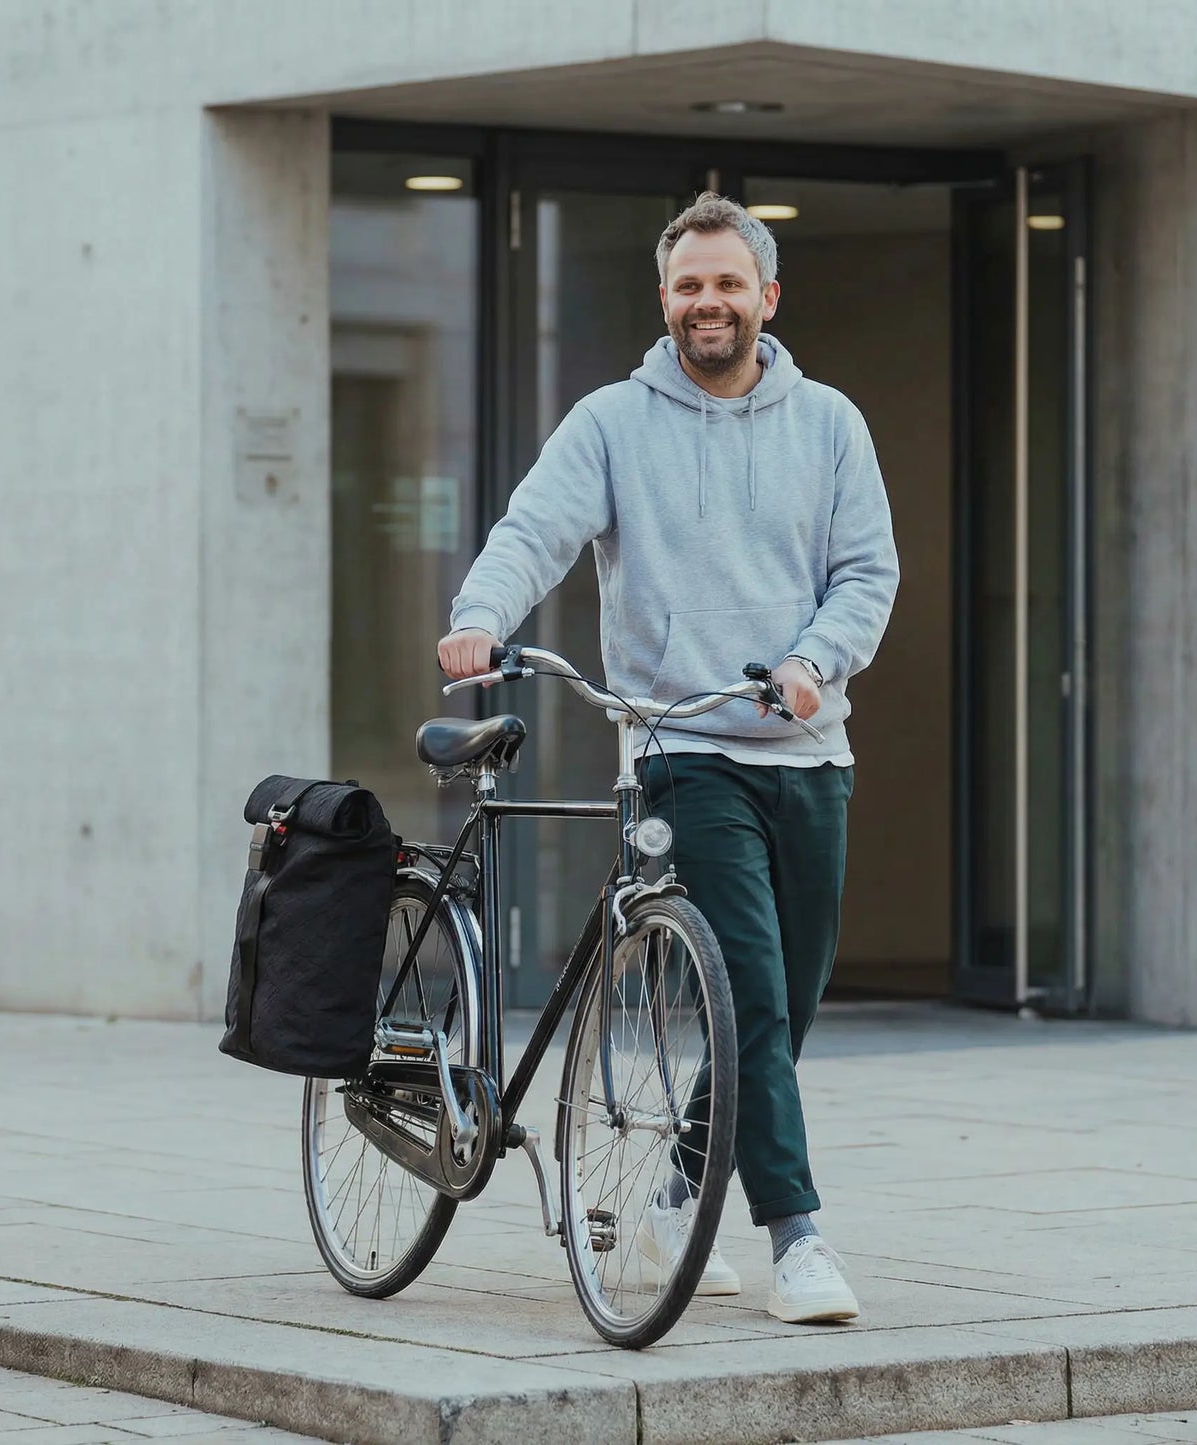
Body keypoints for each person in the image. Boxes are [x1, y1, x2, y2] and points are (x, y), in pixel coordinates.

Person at [437, 193, 898, 1323]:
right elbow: (533, 531)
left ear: (766, 297)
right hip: (681, 743)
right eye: (689, 285)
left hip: (808, 749)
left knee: (782, 1007)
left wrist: (813, 660)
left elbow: (865, 574)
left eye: (728, 283)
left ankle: (674, 1196)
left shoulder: (829, 423)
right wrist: (479, 615)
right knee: (749, 987)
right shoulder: (611, 422)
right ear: (664, 300)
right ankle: (797, 1236)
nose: (708, 302)